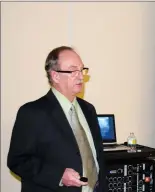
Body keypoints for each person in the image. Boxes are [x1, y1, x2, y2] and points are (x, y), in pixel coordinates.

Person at [7, 46, 105, 192]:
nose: (80, 76)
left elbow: (97, 158)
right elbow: (18, 161)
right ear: (55, 76)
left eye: (82, 70)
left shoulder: (89, 109)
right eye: (73, 71)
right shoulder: (32, 113)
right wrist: (59, 176)